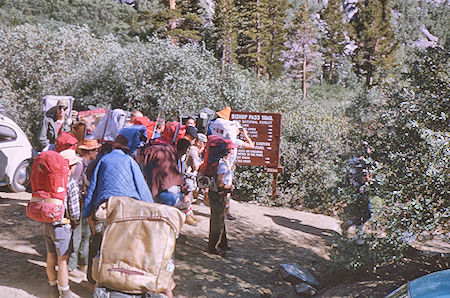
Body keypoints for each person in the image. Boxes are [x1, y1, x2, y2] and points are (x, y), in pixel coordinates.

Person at [45, 149, 82, 298]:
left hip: (48, 224)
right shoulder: (70, 182)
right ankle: (65, 292)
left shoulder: (49, 179)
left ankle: (53, 288)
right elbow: (74, 210)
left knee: (50, 258)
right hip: (63, 226)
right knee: (62, 261)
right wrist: (75, 223)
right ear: (70, 166)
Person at [68, 139, 101, 280]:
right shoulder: (80, 165)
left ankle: (82, 263)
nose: (97, 152)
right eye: (95, 150)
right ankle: (71, 266)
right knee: (77, 235)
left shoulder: (88, 164)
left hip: (85, 203)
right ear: (90, 151)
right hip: (79, 204)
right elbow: (74, 186)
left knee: (86, 234)